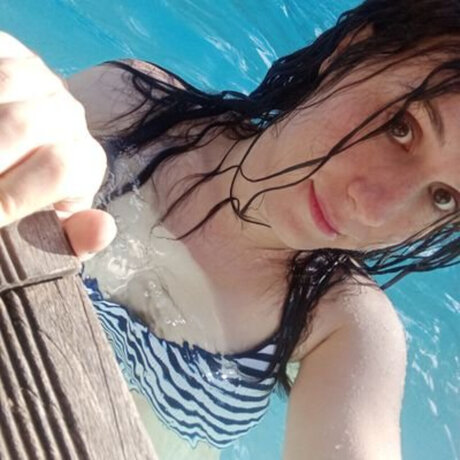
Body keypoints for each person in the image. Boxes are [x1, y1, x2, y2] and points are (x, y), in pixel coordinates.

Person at [0, 0, 459, 458]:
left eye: (443, 197)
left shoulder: (344, 325)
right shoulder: (129, 110)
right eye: (401, 127)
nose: (375, 209)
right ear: (349, 52)